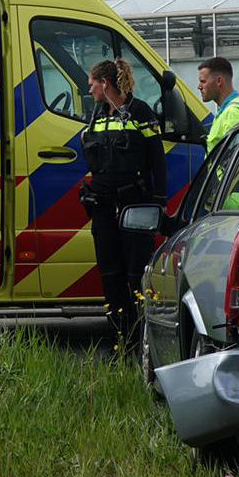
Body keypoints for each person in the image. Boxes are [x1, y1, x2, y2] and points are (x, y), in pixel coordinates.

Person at [81, 58, 167, 353]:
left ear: (105, 83)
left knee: (135, 275)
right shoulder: (95, 116)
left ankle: (141, 340)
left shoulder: (141, 112)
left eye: (92, 84)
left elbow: (157, 159)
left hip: (135, 207)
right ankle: (121, 341)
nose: (89, 89)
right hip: (103, 208)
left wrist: (159, 202)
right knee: (110, 275)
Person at [197, 56, 239, 153]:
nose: (199, 87)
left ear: (219, 81)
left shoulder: (232, 113)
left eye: (203, 81)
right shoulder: (225, 111)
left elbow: (233, 156)